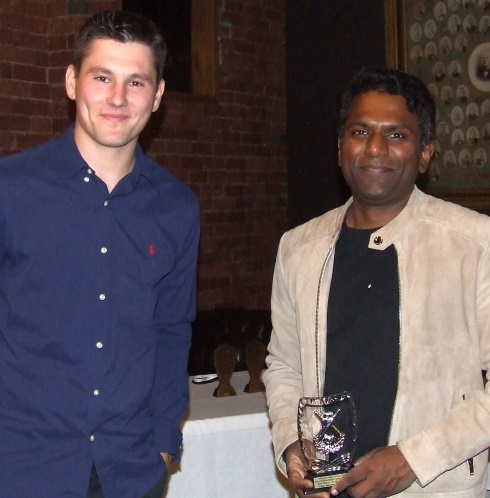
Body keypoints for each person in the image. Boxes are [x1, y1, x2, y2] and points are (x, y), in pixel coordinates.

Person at [264, 67, 490, 498]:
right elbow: (284, 365)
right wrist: (290, 440)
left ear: (425, 154)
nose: (374, 148)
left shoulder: (474, 243)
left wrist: (413, 459)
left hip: (436, 488)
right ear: (339, 147)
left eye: (397, 135)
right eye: (360, 131)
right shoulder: (299, 247)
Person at [0, 10, 200, 498]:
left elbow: (172, 330)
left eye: (136, 82)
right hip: (22, 468)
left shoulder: (177, 207)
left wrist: (163, 437)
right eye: (102, 77)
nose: (117, 98)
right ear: (72, 82)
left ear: (156, 96)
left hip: (130, 470)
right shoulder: (11, 189)